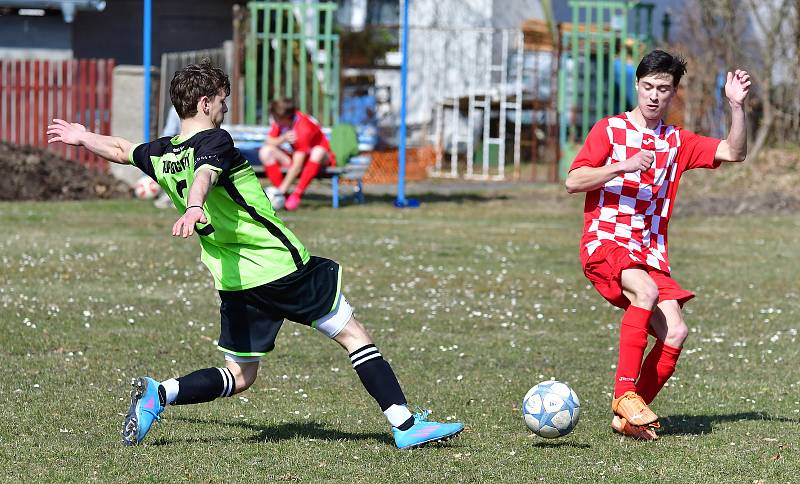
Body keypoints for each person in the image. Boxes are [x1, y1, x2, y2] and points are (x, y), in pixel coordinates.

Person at [47, 59, 464, 450]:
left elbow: (122, 149)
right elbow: (207, 174)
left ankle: (160, 393)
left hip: (234, 280)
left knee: (241, 376)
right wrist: (195, 205)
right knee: (354, 335)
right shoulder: (215, 141)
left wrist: (84, 138)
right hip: (280, 267)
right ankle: (407, 426)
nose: (225, 108)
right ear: (205, 103)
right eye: (223, 100)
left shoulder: (162, 153)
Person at [565, 50, 751, 440]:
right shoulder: (610, 131)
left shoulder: (677, 141)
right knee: (645, 292)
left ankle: (629, 416)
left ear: (673, 93)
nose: (653, 96)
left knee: (676, 331)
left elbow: (734, 152)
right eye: (647, 87)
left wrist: (736, 106)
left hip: (648, 253)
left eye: (662, 89)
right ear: (637, 86)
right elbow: (574, 181)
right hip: (606, 241)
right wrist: (621, 165)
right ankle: (624, 396)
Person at [258, 98, 335, 211]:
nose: (272, 119)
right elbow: (269, 141)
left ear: (283, 118)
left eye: (274, 117)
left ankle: (295, 195)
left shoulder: (303, 128)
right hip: (296, 157)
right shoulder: (282, 121)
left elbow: (297, 166)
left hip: (320, 159)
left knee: (317, 152)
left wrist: (280, 191)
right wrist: (283, 138)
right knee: (265, 152)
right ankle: (284, 197)